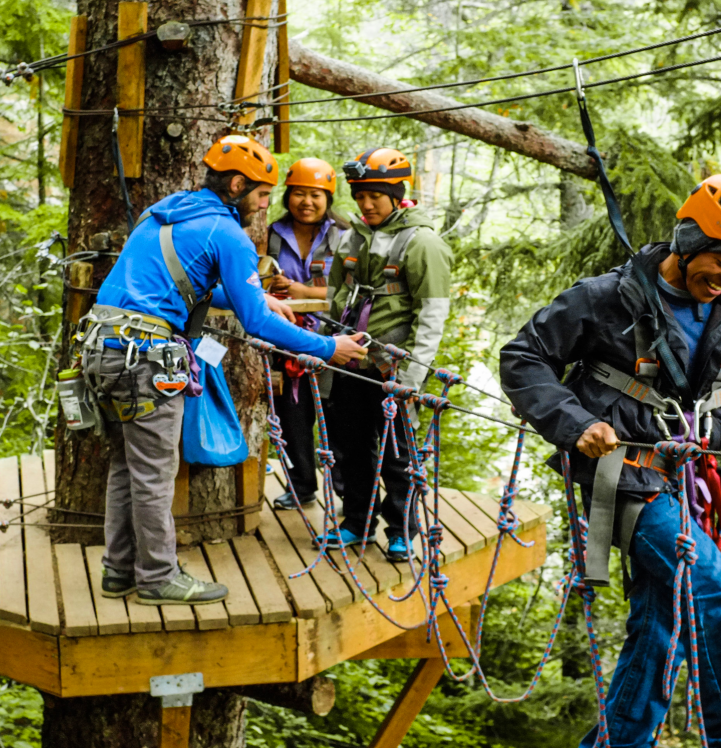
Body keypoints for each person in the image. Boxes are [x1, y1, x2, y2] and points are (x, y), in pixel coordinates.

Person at [499, 174, 721, 748]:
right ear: (689, 238)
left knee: (662, 622)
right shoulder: (607, 297)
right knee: (718, 592)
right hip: (619, 475)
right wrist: (576, 425)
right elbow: (525, 358)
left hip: (688, 483)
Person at [79, 135, 367, 606]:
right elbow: (256, 323)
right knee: (154, 472)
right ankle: (156, 577)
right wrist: (326, 346)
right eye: (261, 193)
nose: (264, 203)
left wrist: (259, 296)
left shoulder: (163, 213)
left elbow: (179, 283)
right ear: (237, 184)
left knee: (126, 466)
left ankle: (120, 570)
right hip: (146, 357)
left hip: (103, 347)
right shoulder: (227, 233)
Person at [318, 147, 453, 562]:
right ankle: (356, 521)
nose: (366, 203)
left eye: (374, 195)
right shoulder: (350, 236)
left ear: (397, 193)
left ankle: (401, 529)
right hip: (349, 363)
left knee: (398, 454)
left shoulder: (423, 242)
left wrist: (412, 381)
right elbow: (334, 298)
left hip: (392, 369)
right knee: (352, 449)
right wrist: (326, 354)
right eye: (359, 196)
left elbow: (432, 315)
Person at [262, 157, 350, 511]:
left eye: (315, 194)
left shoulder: (345, 236)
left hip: (335, 339)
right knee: (292, 416)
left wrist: (301, 291)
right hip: (284, 339)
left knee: (338, 416)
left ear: (328, 197)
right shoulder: (271, 234)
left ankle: (346, 489)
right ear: (288, 196)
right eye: (299, 194)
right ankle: (301, 486)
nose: (306, 202)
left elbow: (352, 290)